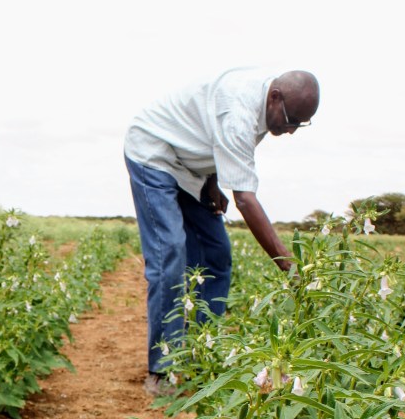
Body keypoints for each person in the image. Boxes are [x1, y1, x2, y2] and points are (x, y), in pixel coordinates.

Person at [124, 68, 319, 391]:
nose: (291, 130)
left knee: (216, 254)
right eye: (290, 120)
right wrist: (288, 264)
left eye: (300, 124)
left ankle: (202, 349)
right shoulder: (238, 111)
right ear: (275, 97)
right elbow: (245, 199)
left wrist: (212, 180)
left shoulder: (264, 109)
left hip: (191, 167)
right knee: (169, 252)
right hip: (153, 153)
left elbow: (213, 139)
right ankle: (163, 369)